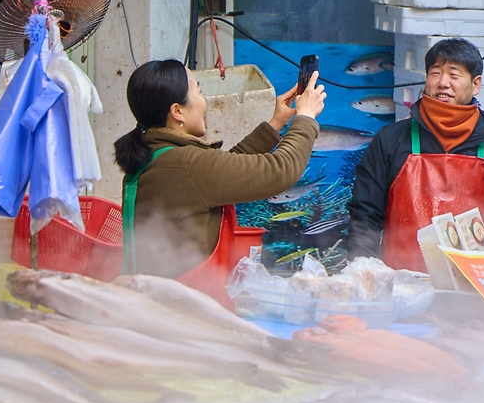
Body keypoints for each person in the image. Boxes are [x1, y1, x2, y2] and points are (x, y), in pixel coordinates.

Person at [115, 58, 326, 300]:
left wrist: (276, 123)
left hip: (156, 302)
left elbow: (220, 172)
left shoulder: (156, 158)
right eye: (200, 91)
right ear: (177, 111)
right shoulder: (187, 165)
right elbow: (281, 169)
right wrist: (306, 119)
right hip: (185, 311)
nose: (206, 102)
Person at [347, 38, 484, 271]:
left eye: (454, 75)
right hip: (402, 286)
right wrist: (363, 270)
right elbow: (365, 215)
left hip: (474, 286)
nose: (443, 83)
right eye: (435, 73)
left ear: (476, 85)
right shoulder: (390, 140)